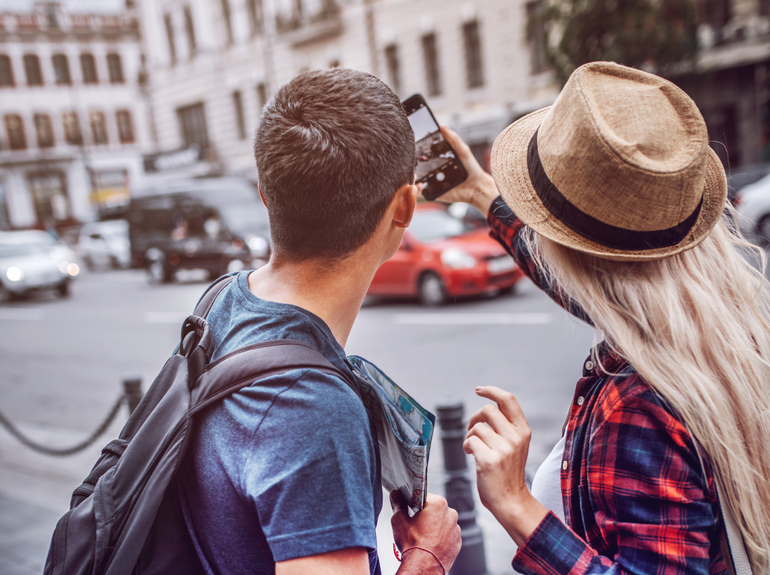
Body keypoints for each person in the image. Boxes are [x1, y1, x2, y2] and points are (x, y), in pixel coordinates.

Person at [437, 62, 770, 575]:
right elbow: (587, 286)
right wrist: (480, 191)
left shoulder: (638, 403)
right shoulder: (719, 325)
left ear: (577, 255)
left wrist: (515, 505)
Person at [159, 69, 461, 575]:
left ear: (264, 194)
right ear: (405, 206)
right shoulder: (314, 410)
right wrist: (427, 559)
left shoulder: (223, 300)